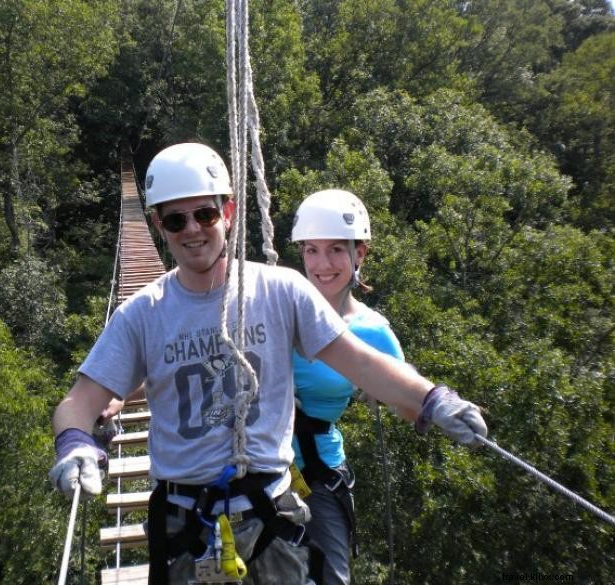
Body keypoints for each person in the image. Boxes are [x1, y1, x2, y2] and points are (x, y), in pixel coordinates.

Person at [48, 142, 488, 585]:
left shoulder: (281, 291)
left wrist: (432, 399)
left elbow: (361, 363)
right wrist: (74, 442)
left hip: (271, 516)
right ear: (159, 226)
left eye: (205, 214)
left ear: (230, 211)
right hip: (185, 524)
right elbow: (80, 401)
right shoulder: (141, 314)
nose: (193, 230)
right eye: (176, 220)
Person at [290, 189, 406, 585]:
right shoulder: (274, 303)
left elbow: (405, 397)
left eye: (336, 249)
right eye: (311, 250)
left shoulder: (372, 332)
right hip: (254, 465)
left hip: (316, 470)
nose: (322, 264)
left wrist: (439, 406)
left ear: (360, 254)